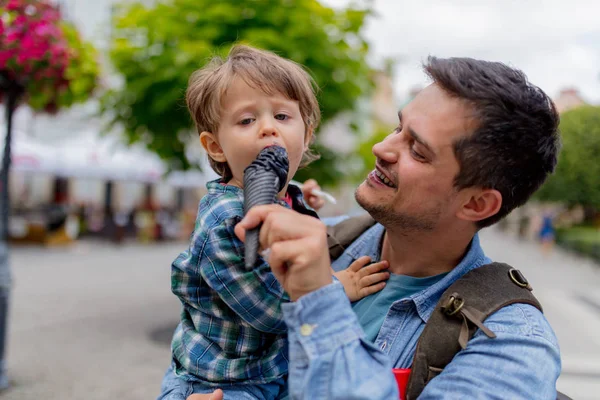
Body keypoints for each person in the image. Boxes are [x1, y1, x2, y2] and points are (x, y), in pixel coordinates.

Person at [232, 56, 563, 399]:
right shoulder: (318, 238)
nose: (381, 148)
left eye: (417, 151)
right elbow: (204, 349)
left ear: (476, 204)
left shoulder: (513, 347)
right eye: (397, 129)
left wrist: (318, 299)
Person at [158, 45, 389, 400]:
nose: (267, 128)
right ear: (216, 146)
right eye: (247, 120)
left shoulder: (287, 197)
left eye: (282, 117)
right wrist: (334, 287)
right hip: (222, 383)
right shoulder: (225, 219)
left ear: (307, 134)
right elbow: (267, 311)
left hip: (273, 374)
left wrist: (305, 202)